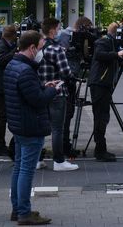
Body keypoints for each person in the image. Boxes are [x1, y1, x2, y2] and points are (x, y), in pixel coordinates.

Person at [5, 30, 60, 225]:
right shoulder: (26, 70)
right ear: (32, 48)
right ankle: (24, 213)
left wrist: (44, 85)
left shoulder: (13, 65)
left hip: (19, 125)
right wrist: (53, 90)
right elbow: (37, 100)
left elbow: (26, 93)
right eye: (41, 47)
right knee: (26, 170)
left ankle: (17, 209)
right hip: (30, 125)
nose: (42, 52)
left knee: (19, 168)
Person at [38, 18, 79, 171]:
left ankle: (38, 159)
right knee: (57, 128)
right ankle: (59, 161)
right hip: (57, 92)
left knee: (41, 127)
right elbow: (66, 72)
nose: (59, 31)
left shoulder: (38, 47)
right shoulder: (56, 49)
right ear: (53, 30)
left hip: (40, 92)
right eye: (58, 28)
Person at [88, 23, 123, 162]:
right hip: (100, 83)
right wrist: (116, 54)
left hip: (103, 83)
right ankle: (100, 150)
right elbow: (99, 55)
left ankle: (101, 149)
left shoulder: (111, 42)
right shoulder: (103, 41)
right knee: (100, 116)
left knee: (103, 116)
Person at [57, 16, 93, 158]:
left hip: (71, 76)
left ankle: (65, 144)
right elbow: (61, 54)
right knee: (65, 113)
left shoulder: (69, 35)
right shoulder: (65, 36)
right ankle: (63, 146)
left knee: (68, 113)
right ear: (82, 27)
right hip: (66, 78)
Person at [0, 25, 17, 157]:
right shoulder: (1, 45)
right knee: (1, 116)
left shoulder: (0, 43)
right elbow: (2, 60)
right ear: (12, 35)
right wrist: (15, 51)